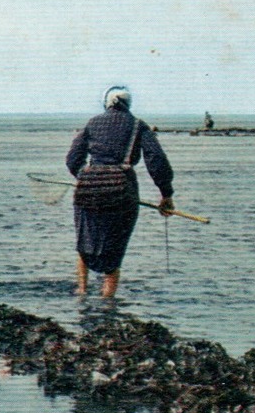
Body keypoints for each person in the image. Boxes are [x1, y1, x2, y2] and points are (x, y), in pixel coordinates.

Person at [65, 87, 175, 297]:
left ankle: (82, 292)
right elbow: (156, 161)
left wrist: (86, 177)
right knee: (114, 247)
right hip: (121, 189)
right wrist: (166, 195)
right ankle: (107, 303)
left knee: (85, 241)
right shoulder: (138, 126)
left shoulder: (92, 123)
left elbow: (72, 159)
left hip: (87, 189)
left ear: (106, 103)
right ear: (129, 104)